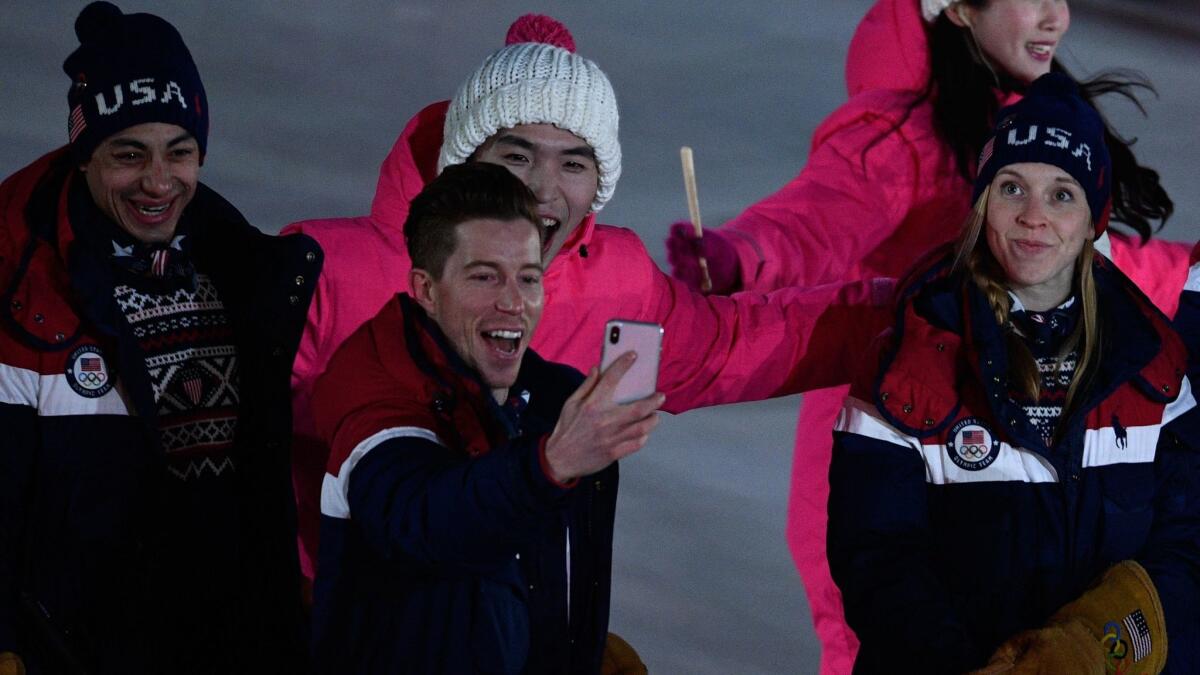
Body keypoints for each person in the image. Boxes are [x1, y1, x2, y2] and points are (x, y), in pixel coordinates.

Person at [663, 1, 1192, 670]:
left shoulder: (1046, 129)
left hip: (1029, 455)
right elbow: (817, 216)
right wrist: (744, 255)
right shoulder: (902, 140)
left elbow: (1111, 269)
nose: (1057, 17)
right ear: (961, 9)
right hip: (903, 442)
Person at [284, 14, 894, 582]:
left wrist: (912, 312)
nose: (542, 189)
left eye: (573, 163)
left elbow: (734, 346)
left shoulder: (614, 290)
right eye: (516, 155)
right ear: (462, 162)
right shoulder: (329, 274)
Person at [827, 72, 1200, 673]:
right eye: (1011, 187)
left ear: (1092, 218)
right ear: (982, 202)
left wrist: (1096, 648)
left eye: (1061, 194)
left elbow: (1185, 550)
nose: (1034, 216)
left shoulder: (1154, 363)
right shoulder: (907, 363)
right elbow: (877, 558)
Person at [0, 3, 316, 673]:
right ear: (85, 154)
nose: (158, 180)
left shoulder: (240, 269)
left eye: (180, 151)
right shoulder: (19, 284)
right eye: (128, 154)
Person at [310, 161, 656, 674]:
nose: (514, 302)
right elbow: (431, 521)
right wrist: (551, 465)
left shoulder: (552, 398)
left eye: (528, 277)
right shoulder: (374, 401)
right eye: (485, 277)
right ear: (426, 290)